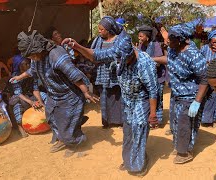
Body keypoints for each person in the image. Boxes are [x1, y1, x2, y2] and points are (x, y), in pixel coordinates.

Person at [61, 21, 158, 176]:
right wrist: (76, 46)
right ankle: (129, 159)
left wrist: (152, 114)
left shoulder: (145, 63)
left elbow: (153, 90)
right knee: (128, 132)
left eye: (122, 60)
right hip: (127, 100)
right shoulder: (118, 52)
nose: (119, 62)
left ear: (131, 53)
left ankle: (138, 165)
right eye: (117, 59)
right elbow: (95, 55)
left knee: (138, 131)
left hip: (141, 100)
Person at [10, 30, 99, 157]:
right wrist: (19, 77)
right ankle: (63, 139)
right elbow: (32, 70)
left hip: (70, 95)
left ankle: (77, 144)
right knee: (51, 118)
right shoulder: (37, 57)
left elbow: (73, 74)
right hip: (54, 95)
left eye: (32, 56)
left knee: (66, 123)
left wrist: (85, 91)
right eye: (30, 57)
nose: (32, 59)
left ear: (39, 49)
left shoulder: (56, 54)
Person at [154, 19, 208, 164]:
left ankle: (185, 152)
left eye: (170, 39)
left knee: (185, 123)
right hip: (176, 94)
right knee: (176, 122)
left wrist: (197, 102)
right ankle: (180, 146)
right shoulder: (173, 49)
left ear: (180, 40)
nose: (167, 42)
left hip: (190, 95)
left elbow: (204, 78)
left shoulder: (193, 55)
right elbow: (169, 59)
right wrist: (154, 59)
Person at [89, 16, 124, 128]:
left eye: (102, 29)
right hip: (102, 73)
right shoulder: (98, 40)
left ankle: (120, 121)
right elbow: (92, 54)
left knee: (117, 96)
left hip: (116, 73)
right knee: (105, 96)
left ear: (109, 31)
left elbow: (123, 55)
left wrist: (116, 63)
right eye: (99, 29)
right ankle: (107, 121)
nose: (99, 31)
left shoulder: (119, 40)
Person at [9, 55, 47, 137]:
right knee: (17, 105)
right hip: (18, 97)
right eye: (25, 64)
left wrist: (40, 102)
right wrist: (31, 102)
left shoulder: (32, 74)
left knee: (44, 95)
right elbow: (18, 93)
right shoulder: (14, 76)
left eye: (28, 63)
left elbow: (35, 89)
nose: (28, 66)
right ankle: (20, 127)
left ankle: (50, 115)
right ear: (19, 66)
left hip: (29, 95)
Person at [137, 25, 166, 128]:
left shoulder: (155, 45)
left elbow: (158, 62)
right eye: (139, 36)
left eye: (141, 36)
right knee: (148, 98)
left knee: (157, 98)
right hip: (147, 78)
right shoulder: (140, 46)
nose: (139, 39)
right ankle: (149, 119)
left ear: (147, 37)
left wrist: (147, 61)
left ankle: (157, 121)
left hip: (158, 77)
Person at [199, 29, 216, 125]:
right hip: (204, 78)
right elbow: (199, 62)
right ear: (209, 41)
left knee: (214, 98)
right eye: (213, 42)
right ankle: (203, 118)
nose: (215, 44)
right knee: (203, 97)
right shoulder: (204, 49)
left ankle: (209, 119)